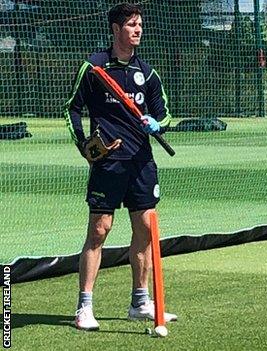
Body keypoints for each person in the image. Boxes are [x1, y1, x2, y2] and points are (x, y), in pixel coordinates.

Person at [64, 3, 176, 331]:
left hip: (141, 163)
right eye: (131, 25)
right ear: (116, 29)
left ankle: (140, 302)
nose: (138, 29)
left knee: (145, 228)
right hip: (108, 163)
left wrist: (157, 124)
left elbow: (165, 113)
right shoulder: (94, 68)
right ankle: (84, 307)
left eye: (140, 24)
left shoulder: (148, 72)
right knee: (99, 230)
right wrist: (84, 145)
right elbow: (72, 108)